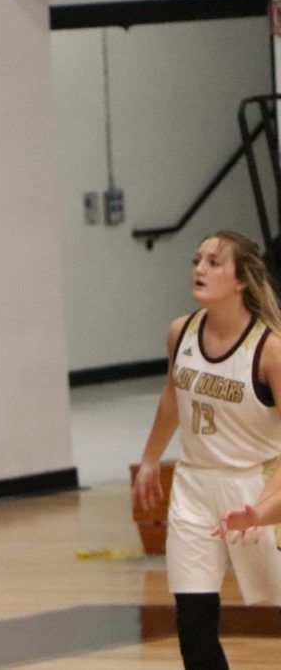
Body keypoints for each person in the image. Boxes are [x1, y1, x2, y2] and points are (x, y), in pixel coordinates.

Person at [132, 230, 281, 669]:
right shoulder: (181, 332)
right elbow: (172, 398)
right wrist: (150, 459)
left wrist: (265, 509)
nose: (199, 269)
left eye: (214, 263)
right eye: (197, 260)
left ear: (241, 280)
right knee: (193, 621)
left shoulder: (270, 350)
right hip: (194, 486)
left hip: (257, 485)